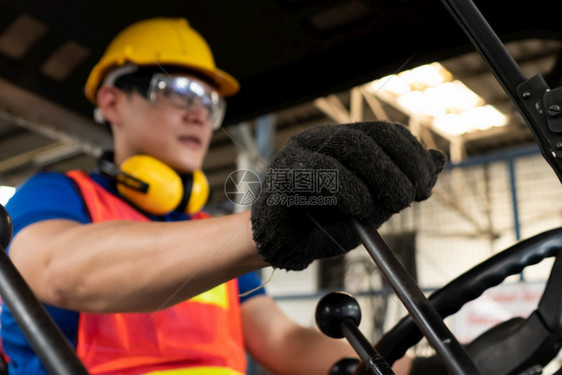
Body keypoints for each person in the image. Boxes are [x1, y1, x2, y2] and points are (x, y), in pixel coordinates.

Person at [0, 17, 444, 375]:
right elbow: (59, 269)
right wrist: (261, 228)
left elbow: (282, 342)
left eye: (210, 103)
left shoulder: (205, 233)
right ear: (113, 101)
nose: (199, 114)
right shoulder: (56, 195)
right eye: (178, 89)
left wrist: (424, 370)